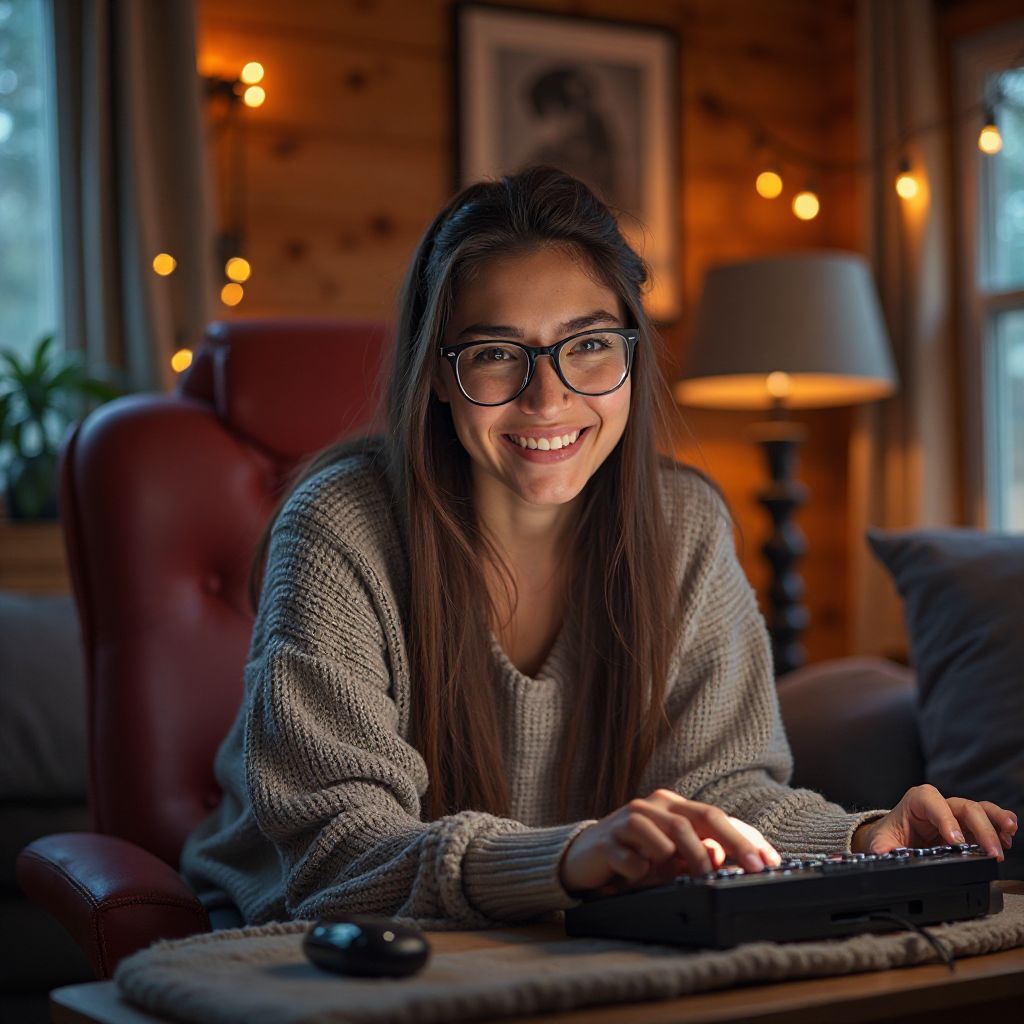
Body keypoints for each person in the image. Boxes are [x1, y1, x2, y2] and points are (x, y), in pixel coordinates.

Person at [180, 167, 1016, 928]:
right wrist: (568, 856)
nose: (549, 398)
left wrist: (864, 837)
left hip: (564, 926)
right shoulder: (340, 527)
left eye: (587, 345)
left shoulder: (686, 526)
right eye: (498, 353)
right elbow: (340, 856)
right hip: (305, 936)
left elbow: (722, 794)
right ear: (437, 373)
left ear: (630, 351)